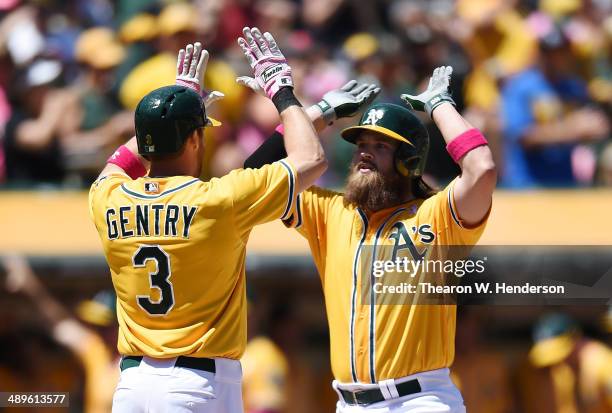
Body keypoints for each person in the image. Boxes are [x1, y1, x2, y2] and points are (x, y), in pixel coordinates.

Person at [88, 27, 327, 412]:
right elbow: (311, 159)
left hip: (130, 384)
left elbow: (117, 162)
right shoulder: (217, 199)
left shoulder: (106, 197)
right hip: (195, 385)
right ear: (195, 140)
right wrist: (282, 92)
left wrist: (174, 102)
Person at [245, 66, 496, 412]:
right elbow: (254, 178)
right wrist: (319, 112)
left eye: (380, 146)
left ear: (409, 160)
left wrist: (439, 104)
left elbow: (481, 168)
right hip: (350, 402)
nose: (363, 152)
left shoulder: (436, 216)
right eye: (361, 144)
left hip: (420, 399)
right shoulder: (330, 212)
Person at [2, 255, 119, 413]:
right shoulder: (96, 351)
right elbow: (60, 322)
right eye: (96, 326)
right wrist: (29, 284)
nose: (99, 332)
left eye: (106, 327)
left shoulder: (139, 361)